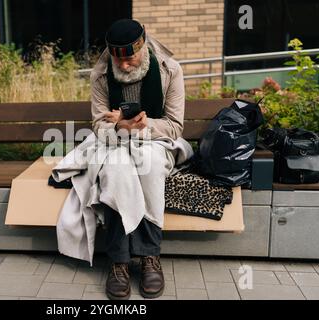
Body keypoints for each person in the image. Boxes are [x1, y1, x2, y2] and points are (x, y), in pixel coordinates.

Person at [90, 19, 185, 300]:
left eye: (129, 59)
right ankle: (118, 261)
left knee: (149, 164)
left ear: (142, 48)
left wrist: (142, 125)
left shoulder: (170, 69)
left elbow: (175, 125)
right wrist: (121, 127)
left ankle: (149, 256)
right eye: (118, 61)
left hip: (155, 140)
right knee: (118, 171)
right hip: (115, 141)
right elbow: (98, 124)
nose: (124, 66)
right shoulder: (100, 74)